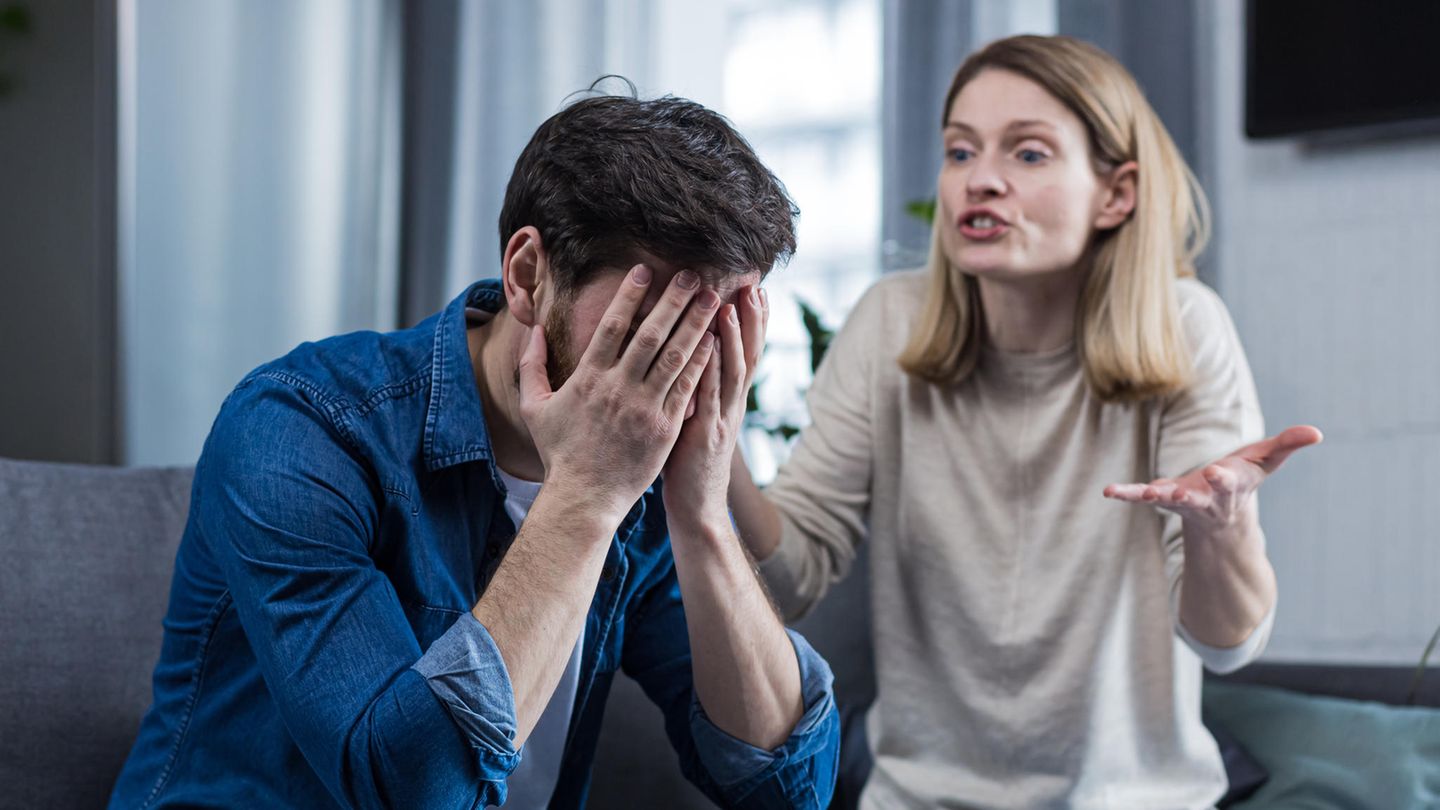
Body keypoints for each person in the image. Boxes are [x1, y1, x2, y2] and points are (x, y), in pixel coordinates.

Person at [109, 91, 840, 810]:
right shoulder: (299, 427)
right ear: (528, 275)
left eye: (718, 330)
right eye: (652, 328)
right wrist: (586, 494)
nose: (680, 370)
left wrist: (704, 514)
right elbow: (417, 794)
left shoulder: (648, 468)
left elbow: (790, 792)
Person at [727, 35, 1321, 809]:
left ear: (1117, 194)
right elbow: (790, 579)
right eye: (960, 152)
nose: (981, 180)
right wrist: (717, 453)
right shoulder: (889, 324)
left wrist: (1221, 527)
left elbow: (1226, 645)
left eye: (1029, 154)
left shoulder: (1185, 326)